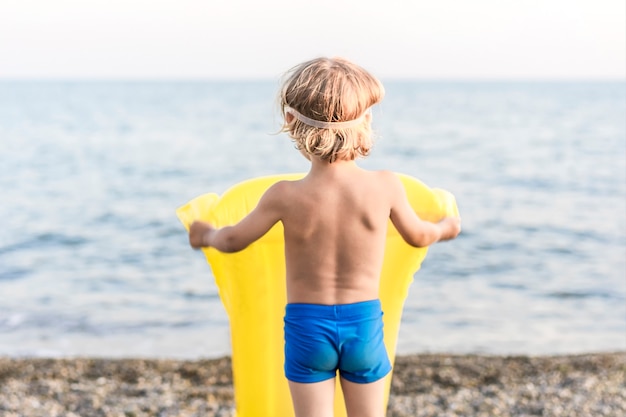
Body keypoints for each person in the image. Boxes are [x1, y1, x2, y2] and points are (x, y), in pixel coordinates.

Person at [188, 57, 461, 417]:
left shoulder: (283, 196)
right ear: (365, 123)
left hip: (307, 329)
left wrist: (204, 233)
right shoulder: (385, 187)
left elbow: (233, 241)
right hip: (363, 326)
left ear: (290, 122)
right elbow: (419, 236)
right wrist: (446, 227)